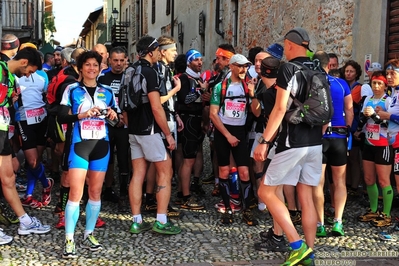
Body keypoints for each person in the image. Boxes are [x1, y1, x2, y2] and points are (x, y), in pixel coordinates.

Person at [254, 27, 322, 265]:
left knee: (265, 191)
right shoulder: (318, 68)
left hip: (292, 141)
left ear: (290, 45)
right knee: (306, 196)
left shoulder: (288, 69)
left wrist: (264, 141)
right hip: (315, 142)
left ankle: (297, 245)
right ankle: (309, 253)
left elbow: (280, 109)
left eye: (285, 46)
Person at [58, 50, 118, 258]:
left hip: (101, 145)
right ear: (80, 68)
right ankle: (69, 238)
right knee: (76, 193)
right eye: (87, 65)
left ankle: (89, 233)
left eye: (95, 65)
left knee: (95, 192)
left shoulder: (107, 91)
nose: (92, 68)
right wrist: (82, 114)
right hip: (80, 145)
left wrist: (112, 115)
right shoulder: (71, 90)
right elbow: (61, 117)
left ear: (100, 68)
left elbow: (117, 121)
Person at [124, 36, 180, 235]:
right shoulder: (151, 72)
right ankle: (161, 220)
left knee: (138, 174)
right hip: (150, 129)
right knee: (166, 171)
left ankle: (137, 220)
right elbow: (157, 107)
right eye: (157, 50)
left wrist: (130, 126)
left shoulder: (128, 71)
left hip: (134, 129)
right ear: (151, 51)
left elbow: (123, 105)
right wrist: (168, 134)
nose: (159, 53)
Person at [0, 47, 51, 244]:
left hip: (3, 130)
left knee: (9, 177)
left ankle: (25, 221)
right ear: (24, 63)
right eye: (30, 70)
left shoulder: (11, 77)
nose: (29, 75)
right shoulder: (1, 70)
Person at [210, 53, 258, 226]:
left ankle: (246, 210)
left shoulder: (248, 86)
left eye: (245, 66)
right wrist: (228, 135)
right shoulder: (220, 87)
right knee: (224, 171)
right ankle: (228, 209)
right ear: (231, 66)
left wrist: (252, 95)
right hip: (223, 132)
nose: (243, 69)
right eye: (239, 65)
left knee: (244, 172)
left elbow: (258, 112)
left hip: (240, 131)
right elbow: (213, 114)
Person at [312, 51, 353, 238]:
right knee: (339, 181)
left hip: (318, 137)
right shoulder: (341, 83)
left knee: (318, 183)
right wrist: (347, 130)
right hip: (338, 136)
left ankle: (320, 223)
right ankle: (338, 222)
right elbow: (349, 110)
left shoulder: (311, 82)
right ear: (329, 65)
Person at [143, 36, 182, 217]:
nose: (176, 53)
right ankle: (159, 204)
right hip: (162, 121)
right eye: (173, 50)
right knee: (164, 166)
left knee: (156, 163)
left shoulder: (164, 68)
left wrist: (176, 114)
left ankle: (152, 199)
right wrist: (176, 89)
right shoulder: (160, 69)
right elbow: (159, 99)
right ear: (163, 51)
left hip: (167, 117)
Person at [16, 43, 54, 209]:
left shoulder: (42, 76)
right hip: (24, 119)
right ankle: (47, 184)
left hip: (41, 118)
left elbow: (46, 96)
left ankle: (29, 194)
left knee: (36, 160)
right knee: (31, 161)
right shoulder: (15, 75)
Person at [356, 71, 393, 227]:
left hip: (383, 144)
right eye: (374, 83)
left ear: (385, 85)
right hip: (369, 144)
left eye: (380, 83)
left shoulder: (388, 101)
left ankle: (386, 214)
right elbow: (362, 121)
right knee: (369, 179)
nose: (376, 86)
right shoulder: (368, 100)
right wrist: (364, 118)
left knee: (384, 180)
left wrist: (375, 116)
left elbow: (389, 124)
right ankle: (373, 210)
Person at [98, 46, 130, 210]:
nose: (118, 64)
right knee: (107, 159)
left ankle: (124, 195)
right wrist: (112, 119)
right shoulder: (102, 77)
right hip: (107, 124)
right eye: (115, 60)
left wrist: (125, 117)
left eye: (121, 60)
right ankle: (108, 189)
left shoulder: (131, 76)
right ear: (109, 60)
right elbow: (96, 101)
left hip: (126, 125)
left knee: (125, 160)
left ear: (126, 60)